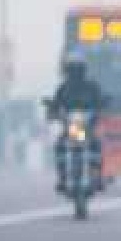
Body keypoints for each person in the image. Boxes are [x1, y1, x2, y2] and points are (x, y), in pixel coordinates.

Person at [47, 57, 107, 194]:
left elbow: (100, 101)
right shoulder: (63, 88)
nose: (75, 73)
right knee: (60, 146)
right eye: (73, 70)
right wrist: (53, 111)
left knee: (97, 145)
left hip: (87, 126)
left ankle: (97, 176)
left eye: (78, 70)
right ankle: (62, 177)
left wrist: (100, 108)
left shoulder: (92, 86)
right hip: (71, 126)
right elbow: (55, 105)